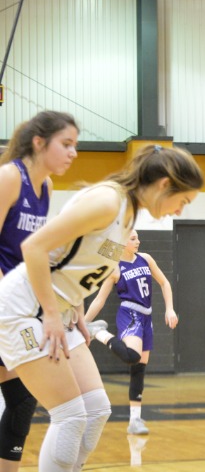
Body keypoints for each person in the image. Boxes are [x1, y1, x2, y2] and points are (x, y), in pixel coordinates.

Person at [0, 144, 203, 471]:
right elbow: (35, 247)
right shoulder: (108, 201)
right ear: (165, 184)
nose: (180, 211)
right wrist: (52, 313)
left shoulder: (127, 214)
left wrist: (77, 309)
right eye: (184, 201)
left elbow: (73, 261)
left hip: (58, 308)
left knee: (96, 410)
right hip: (22, 308)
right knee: (69, 415)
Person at [0, 111, 79, 472]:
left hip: (16, 305)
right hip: (6, 304)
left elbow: (37, 253)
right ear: (39, 142)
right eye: (66, 144)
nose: (73, 153)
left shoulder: (45, 186)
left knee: (21, 402)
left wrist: (67, 301)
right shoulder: (9, 177)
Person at [84, 229, 178, 435]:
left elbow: (165, 282)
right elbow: (99, 300)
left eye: (137, 238)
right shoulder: (115, 268)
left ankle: (135, 421)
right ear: (122, 241)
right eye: (133, 238)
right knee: (132, 356)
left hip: (146, 316)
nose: (138, 241)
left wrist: (170, 308)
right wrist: (84, 323)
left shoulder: (146, 259)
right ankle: (99, 333)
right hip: (129, 313)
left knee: (139, 370)